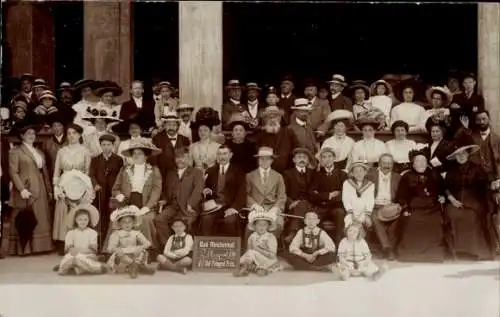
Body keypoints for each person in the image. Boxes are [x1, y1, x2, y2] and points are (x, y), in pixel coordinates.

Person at [444, 137, 494, 260]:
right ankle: (457, 251)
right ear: (455, 157)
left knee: (471, 217)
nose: (461, 156)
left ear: (468, 154)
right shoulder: (451, 172)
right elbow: (445, 188)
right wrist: (452, 200)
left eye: (463, 153)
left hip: (474, 201)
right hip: (455, 201)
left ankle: (473, 251)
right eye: (458, 154)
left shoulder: (477, 169)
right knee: (452, 215)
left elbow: (485, 186)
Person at [8, 120, 53, 255]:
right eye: (28, 133)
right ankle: (25, 248)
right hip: (26, 189)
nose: (32, 135)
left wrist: (49, 189)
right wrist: (21, 189)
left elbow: (44, 172)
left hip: (41, 187)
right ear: (21, 135)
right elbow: (13, 172)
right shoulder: (15, 151)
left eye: (33, 133)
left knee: (41, 217)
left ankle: (41, 247)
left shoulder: (39, 152)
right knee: (26, 216)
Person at [395, 149, 447, 262]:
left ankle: (433, 254)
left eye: (423, 161)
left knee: (435, 222)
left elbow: (443, 190)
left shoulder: (434, 174)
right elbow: (401, 195)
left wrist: (443, 197)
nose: (421, 164)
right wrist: (405, 207)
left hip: (433, 207)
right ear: (413, 164)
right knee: (411, 222)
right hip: (414, 208)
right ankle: (411, 254)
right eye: (418, 161)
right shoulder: (407, 176)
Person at [111, 137, 162, 250]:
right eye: (134, 153)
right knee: (119, 218)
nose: (136, 156)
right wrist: (119, 196)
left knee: (145, 220)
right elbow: (115, 188)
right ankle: (116, 250)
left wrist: (146, 208)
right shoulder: (124, 169)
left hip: (145, 205)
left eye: (139, 153)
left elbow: (156, 191)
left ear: (146, 156)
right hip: (127, 204)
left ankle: (147, 250)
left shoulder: (154, 171)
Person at [53, 123, 94, 254]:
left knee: (79, 211)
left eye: (74, 133)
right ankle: (64, 243)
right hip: (64, 185)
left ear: (80, 135)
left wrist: (86, 189)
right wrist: (56, 188)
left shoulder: (85, 151)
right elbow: (56, 172)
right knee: (63, 211)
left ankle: (80, 243)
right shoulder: (61, 151)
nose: (71, 136)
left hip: (81, 185)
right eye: (69, 133)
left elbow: (87, 172)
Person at [154, 147, 204, 249]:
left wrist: (191, 204)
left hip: (188, 206)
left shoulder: (196, 172)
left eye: (183, 157)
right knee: (159, 219)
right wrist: (164, 199)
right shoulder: (171, 173)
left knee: (183, 224)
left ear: (189, 158)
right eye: (177, 157)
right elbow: (166, 190)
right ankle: (168, 246)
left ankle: (185, 249)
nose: (180, 160)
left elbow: (198, 190)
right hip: (173, 206)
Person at [201, 145, 246, 237]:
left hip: (230, 206)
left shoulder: (238, 171)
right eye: (219, 154)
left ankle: (231, 248)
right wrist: (206, 191)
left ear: (230, 155)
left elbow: (242, 192)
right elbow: (206, 189)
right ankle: (207, 247)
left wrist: (234, 208)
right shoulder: (210, 171)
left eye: (225, 154)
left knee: (230, 220)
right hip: (214, 206)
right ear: (217, 156)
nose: (222, 157)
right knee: (206, 219)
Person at [89, 134, 123, 248]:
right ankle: (100, 243)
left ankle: (112, 243)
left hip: (113, 192)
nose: (106, 147)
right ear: (100, 146)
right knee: (101, 217)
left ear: (113, 146)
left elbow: (121, 174)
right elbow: (92, 175)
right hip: (101, 192)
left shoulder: (118, 159)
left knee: (113, 215)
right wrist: (95, 184)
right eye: (103, 145)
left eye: (109, 145)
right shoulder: (95, 159)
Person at [309, 147, 348, 246]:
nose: (327, 159)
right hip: (321, 206)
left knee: (340, 213)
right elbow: (311, 194)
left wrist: (321, 196)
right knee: (313, 216)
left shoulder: (342, 174)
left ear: (334, 158)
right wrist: (328, 195)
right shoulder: (317, 174)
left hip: (336, 207)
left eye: (330, 156)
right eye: (324, 157)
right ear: (321, 160)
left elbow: (344, 193)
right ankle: (321, 244)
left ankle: (339, 244)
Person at [245, 147, 287, 239]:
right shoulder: (249, 176)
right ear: (258, 160)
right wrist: (254, 205)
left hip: (273, 208)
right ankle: (252, 249)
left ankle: (269, 248)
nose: (264, 161)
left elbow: (282, 196)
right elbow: (246, 194)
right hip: (256, 208)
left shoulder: (278, 176)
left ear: (271, 160)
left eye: (267, 158)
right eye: (261, 158)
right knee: (251, 227)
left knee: (278, 224)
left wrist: (276, 208)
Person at [366, 154, 402, 260]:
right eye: (384, 163)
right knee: (376, 220)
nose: (387, 165)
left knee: (396, 222)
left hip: (391, 207)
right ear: (380, 163)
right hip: (375, 206)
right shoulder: (371, 175)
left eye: (390, 163)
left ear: (393, 164)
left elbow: (401, 195)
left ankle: (385, 249)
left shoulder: (397, 177)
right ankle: (388, 249)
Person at [106, 205, 156, 279]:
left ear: (133, 223)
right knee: (119, 254)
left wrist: (141, 247)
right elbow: (110, 248)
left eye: (129, 222)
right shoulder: (117, 234)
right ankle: (135, 266)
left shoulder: (136, 233)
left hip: (134, 253)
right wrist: (117, 249)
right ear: (119, 223)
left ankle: (135, 266)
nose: (127, 224)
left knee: (143, 252)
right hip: (123, 255)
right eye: (124, 222)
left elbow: (148, 243)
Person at [57, 204, 107, 275]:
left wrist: (79, 252)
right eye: (80, 219)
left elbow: (93, 250)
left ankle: (74, 267)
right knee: (69, 257)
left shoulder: (93, 233)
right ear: (75, 220)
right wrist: (74, 252)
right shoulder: (70, 233)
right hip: (73, 254)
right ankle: (75, 267)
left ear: (89, 220)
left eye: (85, 219)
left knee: (81, 259)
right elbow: (69, 249)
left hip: (88, 254)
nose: (83, 222)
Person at [283, 148, 316, 243]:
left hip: (311, 204)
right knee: (301, 205)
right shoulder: (287, 173)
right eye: (299, 157)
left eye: (305, 157)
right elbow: (283, 192)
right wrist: (290, 202)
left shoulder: (313, 173)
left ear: (308, 160)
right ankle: (298, 237)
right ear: (294, 160)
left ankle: (294, 233)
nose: (302, 159)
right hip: (293, 205)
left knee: (303, 204)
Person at [234, 211, 281, 277]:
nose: (262, 227)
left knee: (251, 253)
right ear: (255, 226)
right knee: (243, 258)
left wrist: (257, 249)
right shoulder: (252, 236)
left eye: (264, 225)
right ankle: (251, 267)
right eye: (259, 225)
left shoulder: (270, 237)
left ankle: (247, 268)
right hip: (254, 257)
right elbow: (248, 251)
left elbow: (272, 255)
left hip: (268, 259)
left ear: (268, 226)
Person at [254, 105, 299, 173]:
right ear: (265, 119)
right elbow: (257, 152)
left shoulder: (288, 132)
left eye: (275, 116)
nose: (272, 119)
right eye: (269, 117)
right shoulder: (261, 135)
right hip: (267, 170)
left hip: (287, 170)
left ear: (280, 118)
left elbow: (296, 149)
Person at [151, 112, 191, 184]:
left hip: (181, 177)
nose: (171, 127)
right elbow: (153, 160)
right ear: (164, 126)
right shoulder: (157, 139)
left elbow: (188, 159)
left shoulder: (185, 140)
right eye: (168, 125)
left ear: (178, 126)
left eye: (174, 125)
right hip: (162, 177)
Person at [342, 161, 375, 229]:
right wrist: (350, 212)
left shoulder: (370, 184)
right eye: (356, 171)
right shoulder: (347, 183)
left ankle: (363, 239)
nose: (359, 173)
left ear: (365, 172)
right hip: (351, 212)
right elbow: (346, 199)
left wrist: (367, 214)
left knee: (367, 223)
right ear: (352, 173)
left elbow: (370, 200)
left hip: (364, 212)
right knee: (349, 223)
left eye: (361, 171)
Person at [190, 107, 221, 172]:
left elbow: (220, 166)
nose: (202, 133)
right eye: (200, 130)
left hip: (212, 175)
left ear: (210, 132)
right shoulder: (192, 146)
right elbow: (189, 166)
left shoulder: (218, 146)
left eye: (205, 130)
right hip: (196, 176)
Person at [43, 111, 69, 178]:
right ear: (52, 128)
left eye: (59, 125)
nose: (56, 128)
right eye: (54, 126)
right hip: (54, 174)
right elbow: (46, 161)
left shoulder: (69, 140)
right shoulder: (47, 142)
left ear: (63, 127)